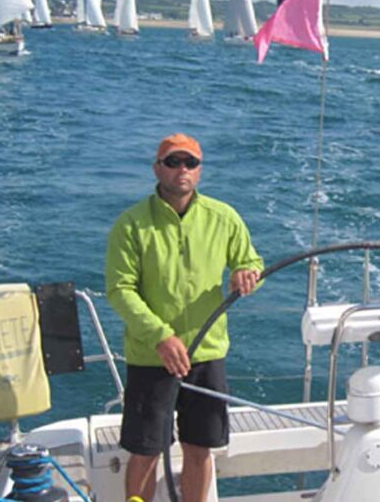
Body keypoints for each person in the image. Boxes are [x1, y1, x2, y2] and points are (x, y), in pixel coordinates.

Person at [106, 133, 264, 502]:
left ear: (200, 171)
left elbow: (250, 260)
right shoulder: (130, 225)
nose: (182, 170)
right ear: (157, 168)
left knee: (200, 448)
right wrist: (160, 336)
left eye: (190, 163)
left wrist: (246, 272)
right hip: (151, 356)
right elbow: (120, 290)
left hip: (207, 353)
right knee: (145, 450)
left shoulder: (223, 217)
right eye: (173, 162)